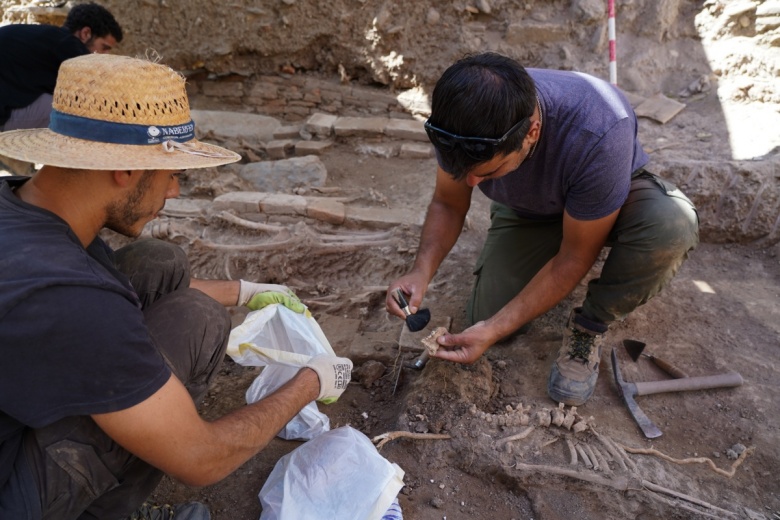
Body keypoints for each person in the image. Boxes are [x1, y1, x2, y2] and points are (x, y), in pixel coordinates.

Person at [0, 53, 352, 520]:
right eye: (172, 175)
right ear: (125, 169)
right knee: (198, 320)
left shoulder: (23, 207)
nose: (175, 192)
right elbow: (202, 458)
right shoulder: (71, 299)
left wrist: (245, 291)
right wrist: (311, 382)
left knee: (160, 263)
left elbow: (96, 300)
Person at [386, 52, 699, 407]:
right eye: (465, 172)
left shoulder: (600, 130)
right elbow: (448, 203)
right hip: (530, 207)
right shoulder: (462, 121)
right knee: (485, 318)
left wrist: (496, 328)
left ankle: (590, 325)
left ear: (531, 133)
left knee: (670, 226)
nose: (471, 182)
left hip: (607, 198)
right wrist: (421, 271)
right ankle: (533, 238)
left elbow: (574, 257)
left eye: (487, 173)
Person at [0, 2, 123, 132]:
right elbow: (100, 94)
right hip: (4, 116)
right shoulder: (69, 45)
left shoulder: (47, 38)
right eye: (104, 47)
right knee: (79, 115)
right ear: (85, 33)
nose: (106, 55)